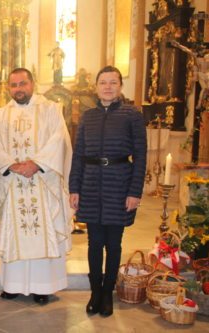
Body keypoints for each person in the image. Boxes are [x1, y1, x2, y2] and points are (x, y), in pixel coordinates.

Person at [0, 68, 73, 305]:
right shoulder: (2, 114)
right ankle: (13, 285)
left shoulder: (50, 109)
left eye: (22, 83)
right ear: (8, 88)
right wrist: (11, 165)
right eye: (13, 85)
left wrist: (36, 164)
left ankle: (43, 287)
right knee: (13, 232)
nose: (18, 89)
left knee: (41, 232)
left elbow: (59, 140)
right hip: (13, 182)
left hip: (42, 181)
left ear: (32, 83)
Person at [69, 66, 147, 317]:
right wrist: (74, 188)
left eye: (113, 82)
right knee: (94, 243)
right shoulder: (88, 116)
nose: (108, 87)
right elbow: (78, 154)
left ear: (120, 86)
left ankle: (107, 294)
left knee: (114, 244)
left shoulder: (132, 115)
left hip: (119, 183)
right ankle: (95, 292)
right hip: (91, 184)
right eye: (103, 82)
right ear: (96, 86)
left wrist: (135, 192)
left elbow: (141, 156)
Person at [170, 40, 209, 109]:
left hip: (207, 75)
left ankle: (203, 103)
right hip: (201, 74)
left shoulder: (208, 56)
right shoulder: (196, 56)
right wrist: (178, 45)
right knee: (204, 88)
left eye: (203, 49)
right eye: (201, 50)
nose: (202, 51)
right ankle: (199, 104)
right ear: (199, 51)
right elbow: (186, 50)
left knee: (207, 90)